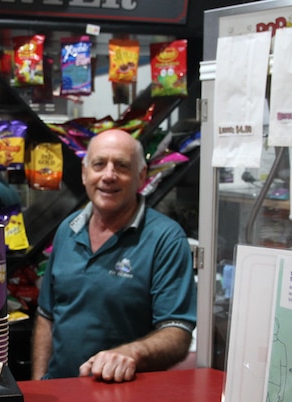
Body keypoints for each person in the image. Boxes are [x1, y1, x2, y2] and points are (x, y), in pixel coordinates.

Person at [31, 129, 196, 383]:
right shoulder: (68, 229)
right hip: (62, 392)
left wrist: (131, 352)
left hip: (125, 399)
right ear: (85, 173)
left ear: (141, 176)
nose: (109, 175)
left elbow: (178, 331)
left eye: (121, 166)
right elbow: (47, 315)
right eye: (99, 165)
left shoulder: (165, 239)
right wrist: (40, 381)